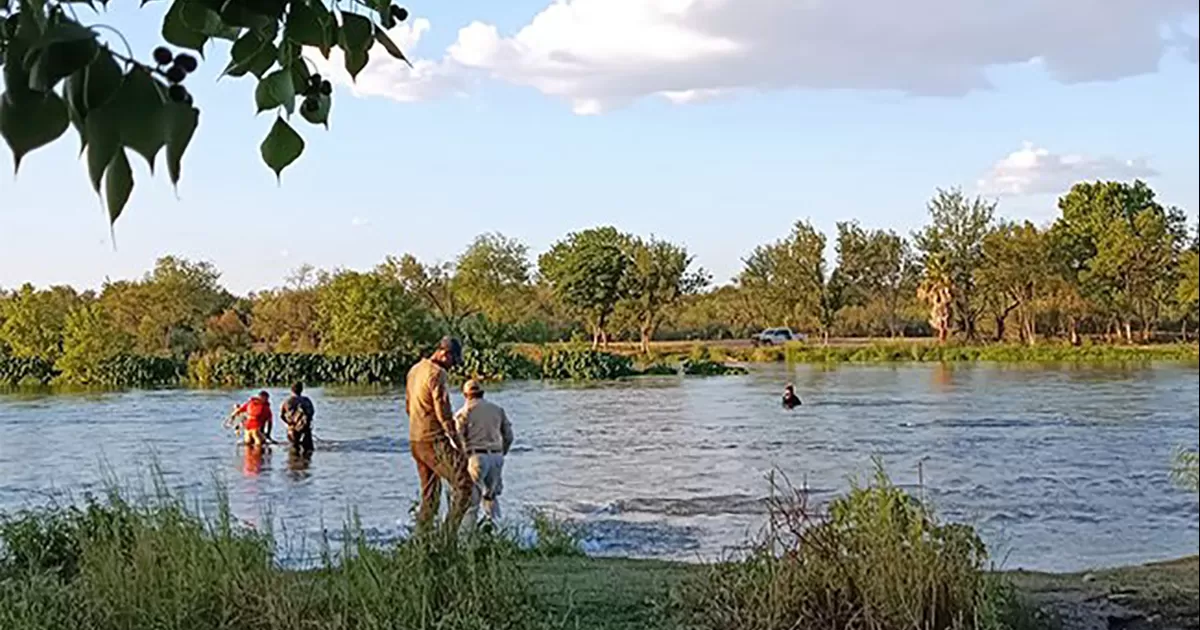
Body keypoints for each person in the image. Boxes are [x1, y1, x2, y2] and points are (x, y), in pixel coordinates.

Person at [404, 336, 473, 534]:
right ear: (444, 354)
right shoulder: (437, 373)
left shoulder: (414, 370)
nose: (452, 366)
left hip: (415, 441)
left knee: (430, 495)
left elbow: (408, 407)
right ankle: (447, 536)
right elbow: (443, 411)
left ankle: (422, 538)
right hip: (432, 440)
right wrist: (458, 444)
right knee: (464, 485)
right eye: (453, 361)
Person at [454, 379, 514, 525]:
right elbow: (509, 436)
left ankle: (469, 540)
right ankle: (496, 531)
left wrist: (462, 460)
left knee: (471, 503)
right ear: (482, 393)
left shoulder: (462, 413)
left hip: (476, 458)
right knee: (491, 497)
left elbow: (458, 439)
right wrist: (502, 453)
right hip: (496, 457)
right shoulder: (497, 409)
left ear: (465, 394)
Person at [280, 381, 315, 452]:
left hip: (293, 428)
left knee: (293, 451)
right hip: (305, 428)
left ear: (291, 390)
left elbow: (282, 416)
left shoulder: (287, 402)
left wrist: (289, 423)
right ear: (302, 390)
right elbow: (311, 413)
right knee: (308, 452)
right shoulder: (307, 400)